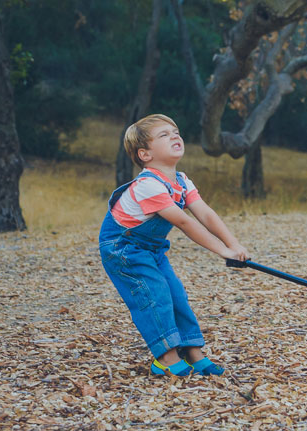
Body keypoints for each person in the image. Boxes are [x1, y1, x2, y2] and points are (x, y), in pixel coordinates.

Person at [99, 114, 249, 377]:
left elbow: (206, 214)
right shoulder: (148, 185)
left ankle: (193, 352)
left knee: (176, 294)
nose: (175, 136)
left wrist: (234, 245)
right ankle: (165, 358)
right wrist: (222, 251)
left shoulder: (181, 180)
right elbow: (184, 222)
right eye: (164, 135)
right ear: (144, 154)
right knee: (154, 295)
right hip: (124, 250)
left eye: (175, 131)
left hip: (152, 249)